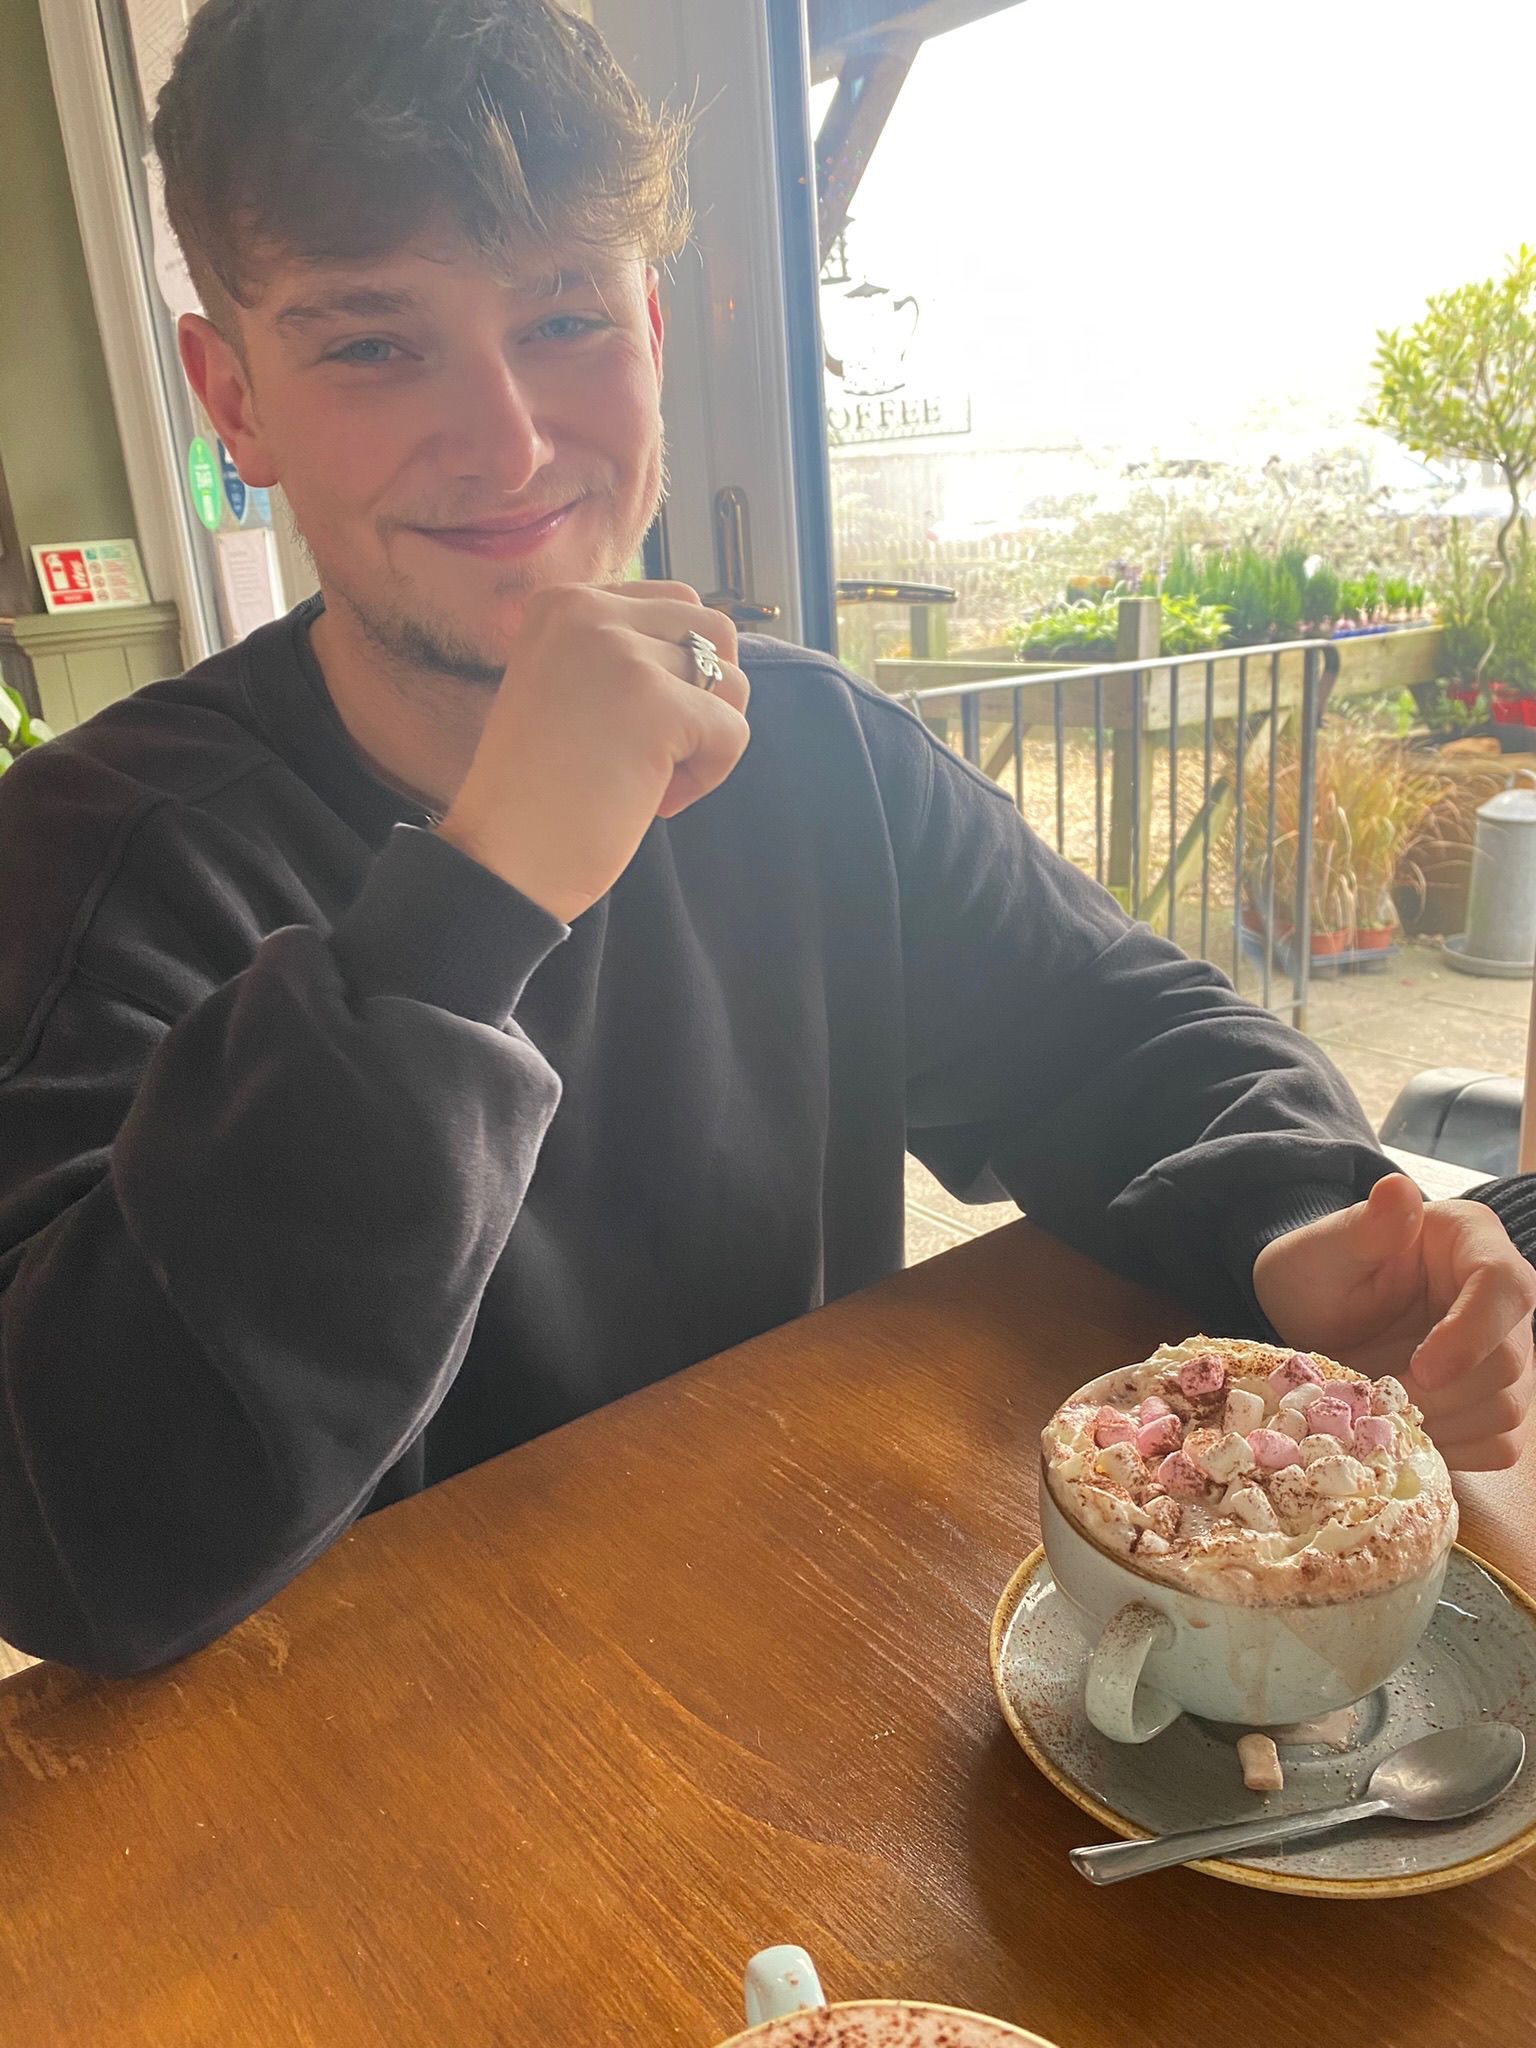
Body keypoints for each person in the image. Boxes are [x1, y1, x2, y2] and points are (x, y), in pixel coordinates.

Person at [0, 0, 1531, 1679]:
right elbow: (71, 1540)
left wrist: (1295, 1220)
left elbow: (1116, 1030)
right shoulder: (89, 862)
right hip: (374, 1767)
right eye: (370, 344)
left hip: (807, 1656)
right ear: (234, 398)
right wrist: (478, 898)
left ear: (653, 332)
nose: (509, 441)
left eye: (565, 318)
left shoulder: (809, 747)